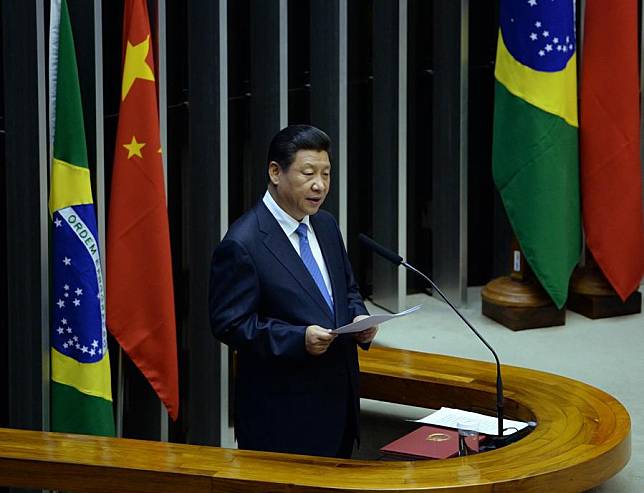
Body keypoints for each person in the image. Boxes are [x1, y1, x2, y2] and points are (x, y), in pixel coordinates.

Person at [209, 125, 377, 458]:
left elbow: (347, 289)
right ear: (275, 172)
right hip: (283, 417)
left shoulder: (325, 225)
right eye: (309, 173)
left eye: (326, 174)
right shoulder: (244, 243)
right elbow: (229, 324)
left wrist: (359, 318)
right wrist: (296, 339)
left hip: (339, 406)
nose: (320, 185)